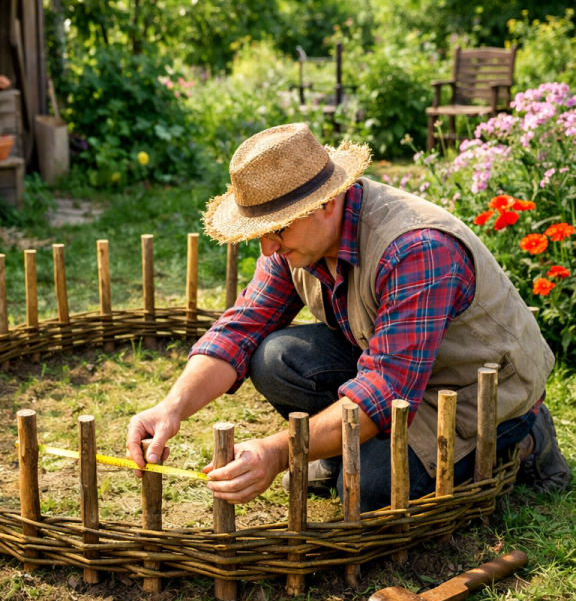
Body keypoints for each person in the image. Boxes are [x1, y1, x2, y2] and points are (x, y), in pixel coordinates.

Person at [125, 123, 569, 510]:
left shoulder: (417, 248)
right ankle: (340, 448)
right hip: (391, 371)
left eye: (275, 230)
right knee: (274, 356)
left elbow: (385, 390)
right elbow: (242, 327)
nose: (267, 248)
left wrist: (279, 452)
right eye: (260, 233)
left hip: (470, 389)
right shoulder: (295, 239)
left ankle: (524, 437)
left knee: (370, 491)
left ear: (326, 203)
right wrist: (172, 407)